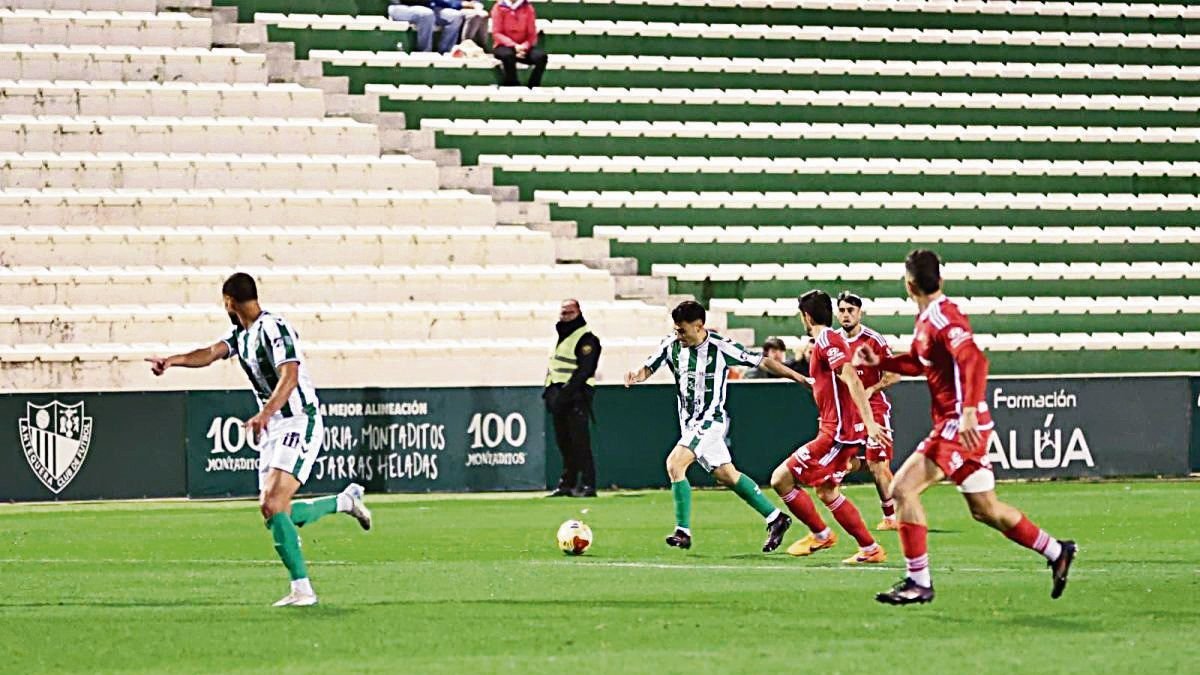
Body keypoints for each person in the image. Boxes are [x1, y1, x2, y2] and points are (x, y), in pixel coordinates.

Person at [856, 250, 1076, 605]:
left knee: (902, 489)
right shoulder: (930, 319)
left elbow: (974, 358)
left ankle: (919, 581)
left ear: (908, 285)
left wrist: (970, 410)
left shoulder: (943, 318)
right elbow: (921, 362)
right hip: (963, 424)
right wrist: (883, 360)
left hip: (959, 425)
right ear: (939, 280)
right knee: (985, 509)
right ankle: (1056, 550)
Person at [145, 273, 372, 607]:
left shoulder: (274, 328)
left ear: (229, 302)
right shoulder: (241, 333)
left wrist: (265, 413)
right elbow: (209, 352)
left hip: (298, 419)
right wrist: (172, 361)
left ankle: (303, 590)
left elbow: (290, 376)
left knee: (274, 503)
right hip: (273, 424)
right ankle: (344, 502)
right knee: (272, 509)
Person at [624, 301, 804, 553]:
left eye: (683, 330)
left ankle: (682, 531)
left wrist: (799, 377)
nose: (679, 335)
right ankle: (776, 518)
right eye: (676, 330)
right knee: (726, 475)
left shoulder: (720, 347)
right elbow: (649, 367)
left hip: (711, 421)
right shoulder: (671, 345)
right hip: (688, 424)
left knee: (675, 464)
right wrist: (636, 375)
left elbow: (762, 361)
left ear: (699, 327)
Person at [768, 290, 888, 565]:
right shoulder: (826, 341)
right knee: (826, 490)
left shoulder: (826, 340)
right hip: (838, 430)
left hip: (836, 434)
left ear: (806, 316)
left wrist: (869, 423)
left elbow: (851, 378)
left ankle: (822, 534)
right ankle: (868, 549)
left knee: (780, 479)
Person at [836, 290, 902, 530]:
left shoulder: (873, 340)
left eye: (850, 310)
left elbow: (894, 374)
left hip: (874, 408)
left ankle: (892, 516)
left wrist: (872, 388)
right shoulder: (833, 341)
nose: (846, 315)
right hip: (846, 410)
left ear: (859, 313)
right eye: (842, 310)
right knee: (844, 462)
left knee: (878, 463)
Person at [544, 299, 601, 497]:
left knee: (580, 442)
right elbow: (554, 366)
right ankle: (567, 484)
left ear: (578, 313)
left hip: (576, 396)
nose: (565, 316)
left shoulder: (587, 339)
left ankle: (588, 484)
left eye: (569, 312)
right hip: (558, 393)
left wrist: (567, 393)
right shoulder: (559, 337)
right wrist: (549, 391)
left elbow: (585, 370)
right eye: (563, 312)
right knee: (564, 442)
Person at [491, 0, 547, 87]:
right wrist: (514, 46)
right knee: (508, 55)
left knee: (541, 57)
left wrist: (524, 46)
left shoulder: (528, 7)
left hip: (524, 47)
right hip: (504, 46)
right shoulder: (498, 7)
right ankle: (512, 84)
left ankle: (534, 85)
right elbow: (497, 33)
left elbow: (532, 34)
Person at [388, 0, 465, 54]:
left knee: (455, 16)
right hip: (400, 7)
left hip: (428, 6)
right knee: (427, 14)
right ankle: (425, 52)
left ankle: (445, 52)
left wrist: (460, 4)